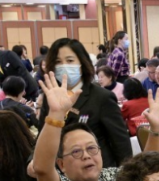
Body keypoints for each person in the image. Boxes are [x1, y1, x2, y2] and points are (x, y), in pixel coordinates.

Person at [37, 38, 132, 168]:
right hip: (60, 171)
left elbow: (121, 143)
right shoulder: (50, 98)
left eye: (70, 61)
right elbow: (42, 136)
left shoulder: (102, 97)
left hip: (96, 170)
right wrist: (33, 161)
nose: (64, 66)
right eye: (58, 62)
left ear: (82, 63)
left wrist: (126, 175)